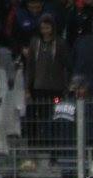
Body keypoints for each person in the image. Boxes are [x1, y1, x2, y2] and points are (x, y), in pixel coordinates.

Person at [25, 13, 72, 147]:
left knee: (54, 116)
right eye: (43, 28)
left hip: (55, 89)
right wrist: (27, 88)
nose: (45, 31)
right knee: (37, 116)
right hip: (38, 88)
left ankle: (52, 144)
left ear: (53, 28)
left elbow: (67, 65)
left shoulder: (60, 43)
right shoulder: (35, 43)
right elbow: (30, 66)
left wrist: (66, 85)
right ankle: (36, 144)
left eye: (47, 28)